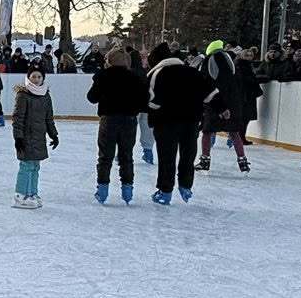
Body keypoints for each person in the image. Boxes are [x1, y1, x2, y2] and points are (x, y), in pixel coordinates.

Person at [145, 43, 212, 203]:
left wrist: (149, 112)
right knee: (188, 154)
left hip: (165, 122)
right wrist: (222, 108)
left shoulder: (157, 74)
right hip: (191, 120)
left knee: (167, 156)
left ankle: (165, 191)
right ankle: (186, 186)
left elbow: (152, 100)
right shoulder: (192, 72)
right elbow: (210, 93)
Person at [87, 50, 148, 204]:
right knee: (126, 155)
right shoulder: (135, 77)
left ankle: (102, 190)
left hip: (109, 119)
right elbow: (144, 101)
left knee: (105, 156)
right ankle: (127, 191)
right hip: (129, 120)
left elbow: (92, 97)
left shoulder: (104, 76)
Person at [11, 64, 59, 208]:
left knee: (35, 166)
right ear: (28, 77)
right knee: (26, 165)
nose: (36, 79)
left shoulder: (45, 95)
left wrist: (54, 135)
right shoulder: (23, 95)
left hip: (39, 137)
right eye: (33, 76)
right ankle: (20, 195)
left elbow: (49, 118)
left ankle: (32, 193)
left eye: (39, 76)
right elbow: (17, 119)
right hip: (26, 137)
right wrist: (18, 138)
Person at [197, 40, 250, 173]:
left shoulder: (209, 61)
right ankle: (243, 161)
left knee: (207, 132)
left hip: (215, 102)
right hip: (233, 104)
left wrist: (220, 106)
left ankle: (205, 161)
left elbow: (206, 84)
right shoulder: (230, 62)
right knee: (234, 132)